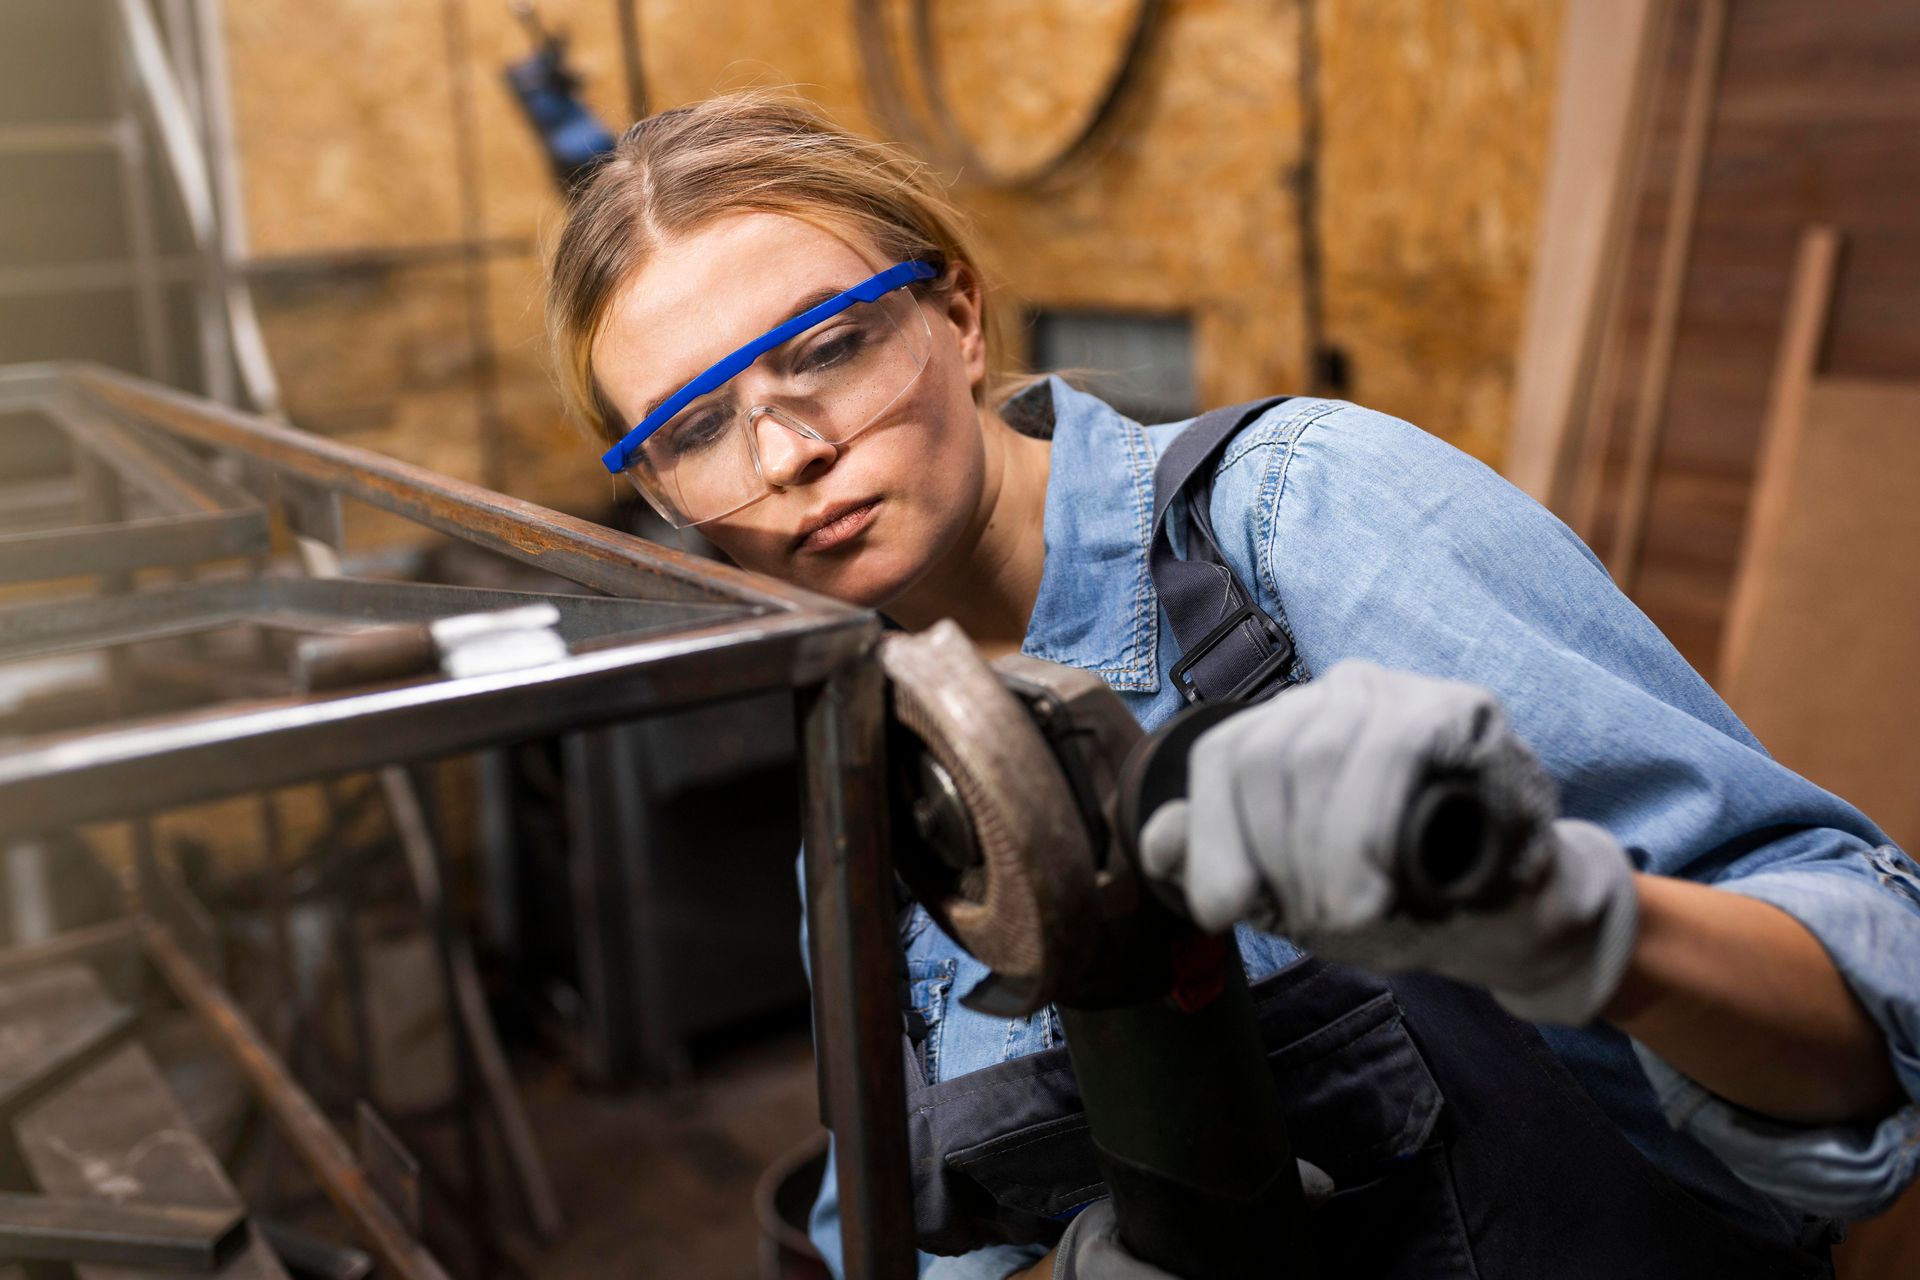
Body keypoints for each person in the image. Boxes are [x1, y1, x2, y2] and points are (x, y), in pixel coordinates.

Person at [544, 91, 1920, 1278]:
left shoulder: (1296, 521)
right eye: (696, 426)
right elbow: (897, 1234)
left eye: (824, 347)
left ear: (956, 313)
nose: (786, 453)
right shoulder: (868, 794)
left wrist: (1583, 924)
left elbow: (1881, 1012)